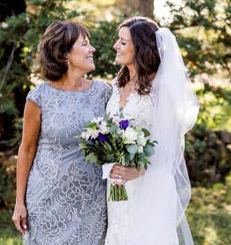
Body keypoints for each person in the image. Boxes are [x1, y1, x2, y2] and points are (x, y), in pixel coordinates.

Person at [12, 21, 111, 244]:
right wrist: (19, 202)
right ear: (65, 54)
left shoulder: (103, 93)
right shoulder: (39, 97)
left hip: (92, 202)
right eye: (85, 44)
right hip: (47, 201)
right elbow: (26, 150)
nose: (92, 49)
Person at [103, 17, 200, 245]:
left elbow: (170, 145)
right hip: (118, 185)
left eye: (123, 42)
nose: (116, 45)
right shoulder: (117, 84)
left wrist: (138, 170)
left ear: (141, 48)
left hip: (149, 182)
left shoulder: (161, 89)